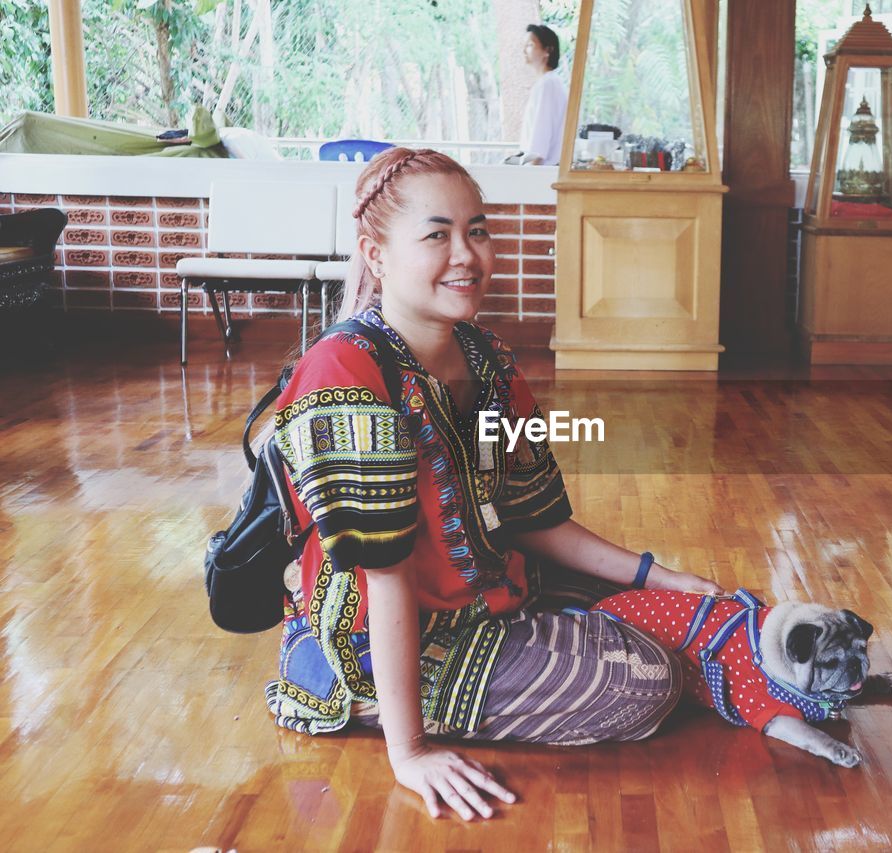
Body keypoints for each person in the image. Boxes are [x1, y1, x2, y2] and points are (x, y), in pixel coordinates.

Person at [265, 147, 722, 820]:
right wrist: (411, 751)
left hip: (485, 595)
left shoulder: (489, 361)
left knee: (689, 616)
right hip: (373, 643)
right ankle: (377, 707)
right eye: (437, 233)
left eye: (477, 229)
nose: (466, 253)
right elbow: (385, 574)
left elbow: (530, 516)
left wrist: (658, 577)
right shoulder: (343, 373)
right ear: (376, 252)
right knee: (648, 680)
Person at [505, 24, 568, 166]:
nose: (524, 50)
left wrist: (529, 176)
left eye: (530, 45)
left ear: (548, 50)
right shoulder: (549, 82)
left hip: (541, 172)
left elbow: (541, 137)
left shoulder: (548, 84)